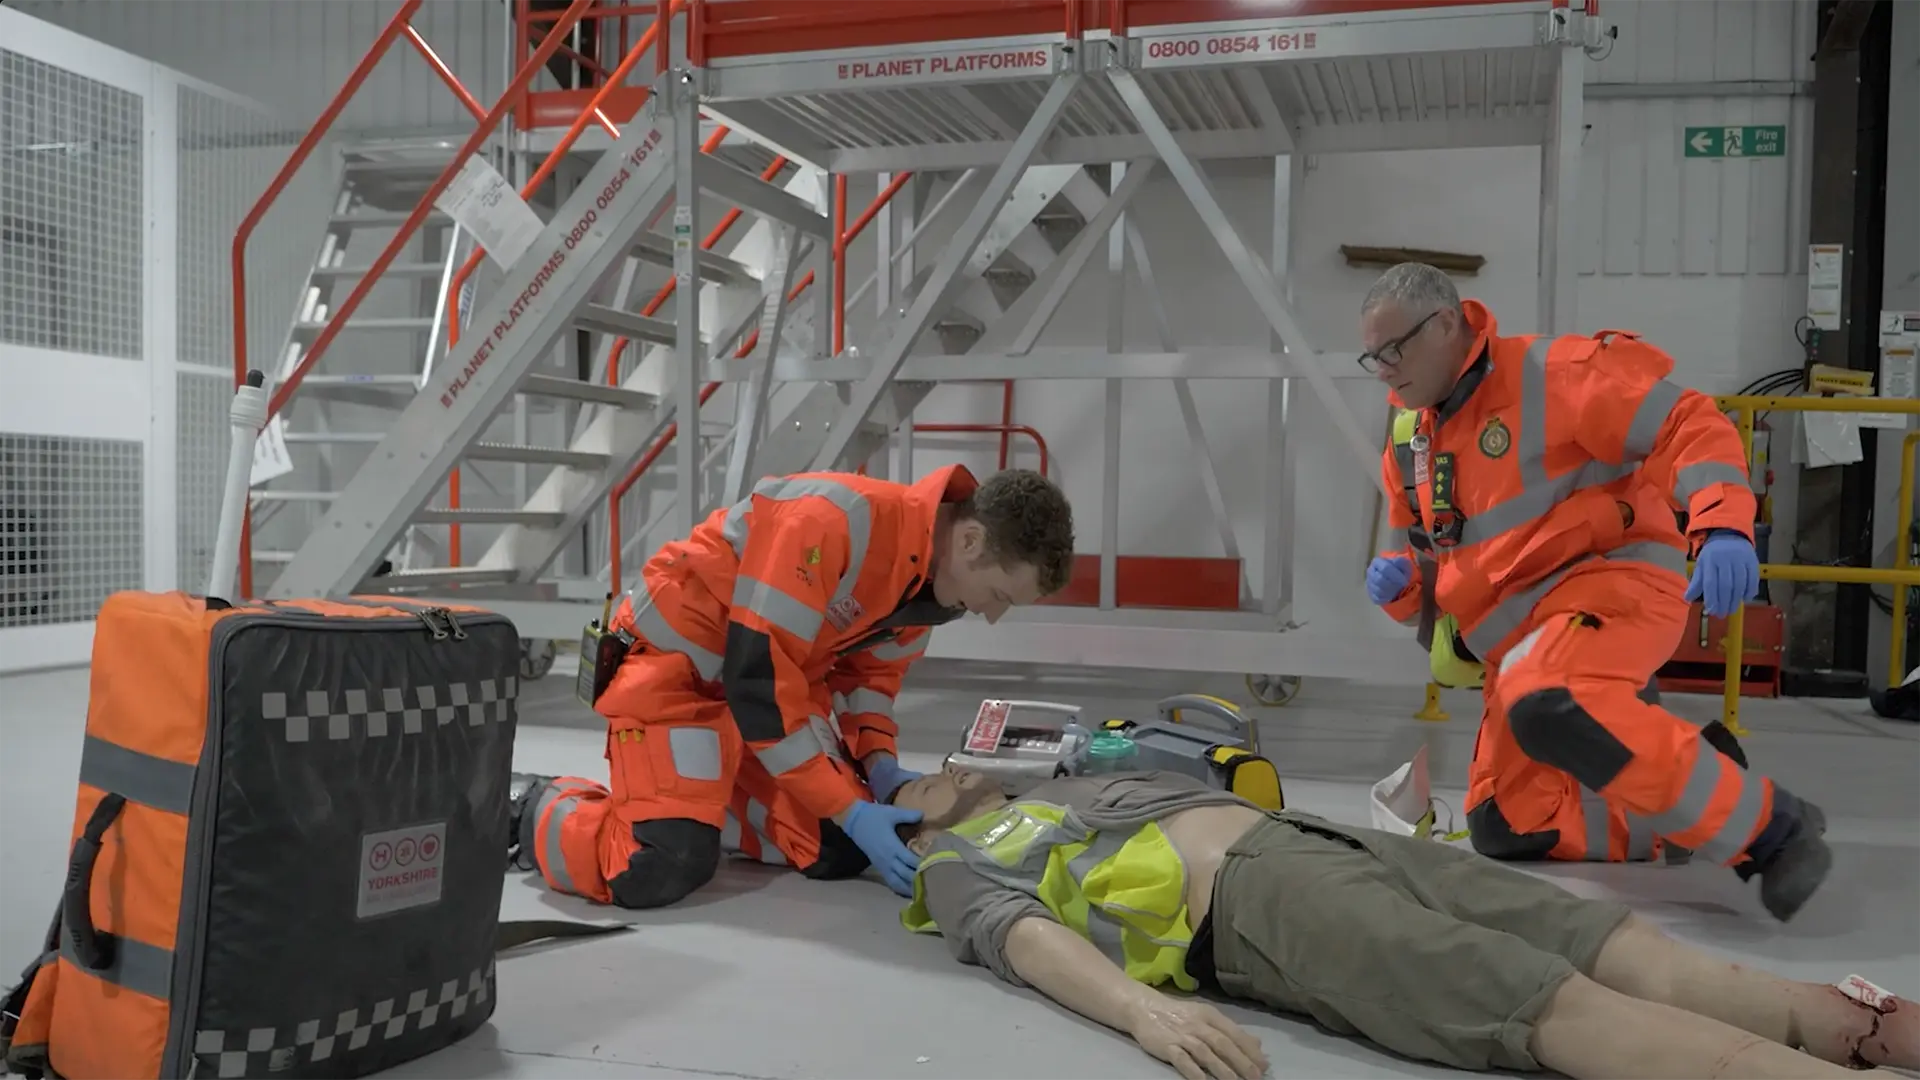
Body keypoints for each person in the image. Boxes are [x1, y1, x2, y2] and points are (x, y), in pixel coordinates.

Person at [894, 766, 1916, 1080]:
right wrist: (1140, 1015)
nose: (946, 769)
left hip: (1331, 843)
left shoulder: (1081, 773)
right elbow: (1021, 937)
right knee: (1536, 999)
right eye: (922, 780)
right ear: (915, 817)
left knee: (1606, 941)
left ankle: (1873, 1029)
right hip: (1258, 907)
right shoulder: (954, 858)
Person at [1356, 262, 1830, 921]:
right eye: (1371, 357)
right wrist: (1402, 591)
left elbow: (1686, 421)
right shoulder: (1413, 445)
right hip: (1517, 646)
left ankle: (1771, 830)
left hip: (1611, 587)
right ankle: (1708, 780)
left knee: (1547, 698)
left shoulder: (1555, 375)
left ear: (1443, 325)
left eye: (1392, 350)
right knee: (1507, 825)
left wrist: (1722, 522)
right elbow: (1435, 578)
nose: (1382, 369)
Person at [509, 466, 1075, 906]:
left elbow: (869, 685)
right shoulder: (830, 521)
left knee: (835, 848)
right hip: (677, 680)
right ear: (971, 541)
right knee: (658, 863)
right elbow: (756, 678)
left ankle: (702, 796)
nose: (992, 616)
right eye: (1000, 596)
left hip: (762, 698)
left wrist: (877, 766)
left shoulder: (927, 592)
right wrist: (850, 806)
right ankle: (528, 806)